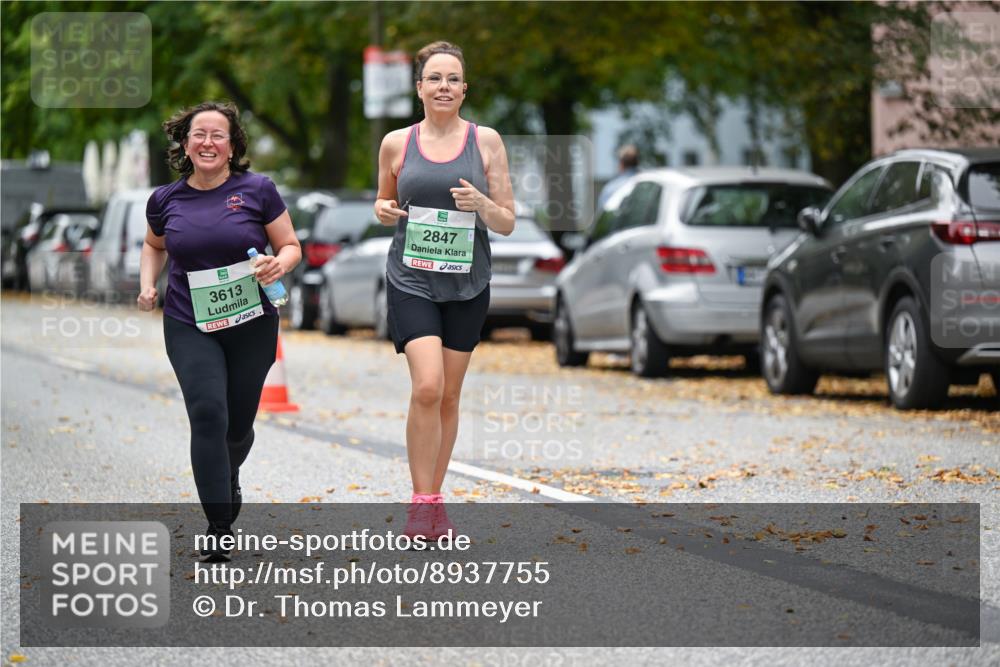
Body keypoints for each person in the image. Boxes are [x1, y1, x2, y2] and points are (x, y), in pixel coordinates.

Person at [138, 101, 300, 561]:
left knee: (237, 427)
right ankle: (218, 526)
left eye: (217, 135)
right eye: (199, 134)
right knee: (208, 412)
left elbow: (290, 245)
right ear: (185, 143)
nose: (207, 142)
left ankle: (226, 475)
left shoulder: (257, 190)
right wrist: (148, 284)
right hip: (190, 321)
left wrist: (278, 264)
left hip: (251, 322)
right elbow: (153, 245)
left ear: (232, 146)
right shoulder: (164, 200)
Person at [374, 41, 515, 538]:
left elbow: (507, 221)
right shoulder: (396, 143)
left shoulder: (486, 141)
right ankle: (420, 503)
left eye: (453, 79)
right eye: (434, 78)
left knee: (450, 396)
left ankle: (434, 502)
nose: (443, 87)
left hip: (467, 284)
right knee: (428, 386)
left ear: (464, 89)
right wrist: (382, 210)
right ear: (419, 88)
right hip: (411, 279)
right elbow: (383, 203)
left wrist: (481, 203)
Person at [596, 143, 640, 212]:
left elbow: (603, 212)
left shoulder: (611, 188)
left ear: (621, 164)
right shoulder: (647, 185)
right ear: (637, 163)